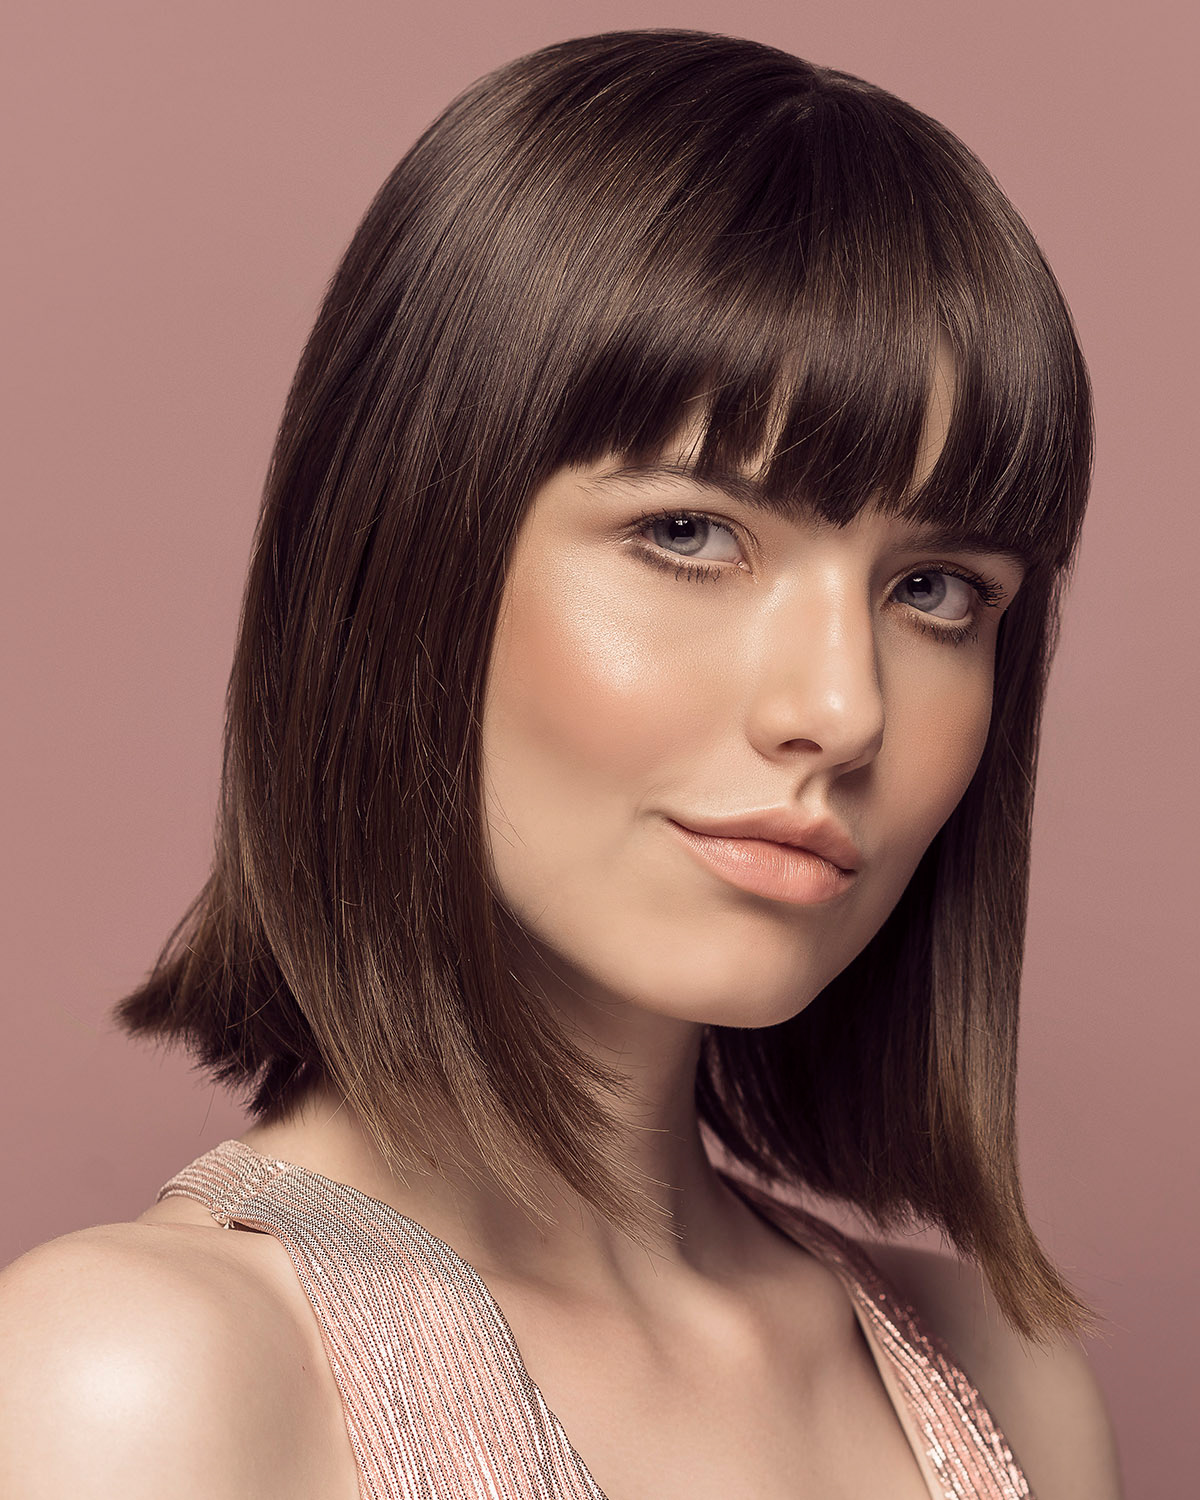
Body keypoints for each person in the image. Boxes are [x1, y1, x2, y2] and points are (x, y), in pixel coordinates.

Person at [0, 28, 1123, 1499]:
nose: (844, 708)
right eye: (690, 534)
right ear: (404, 565)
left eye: (936, 591)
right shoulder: (138, 1384)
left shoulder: (1003, 1381)